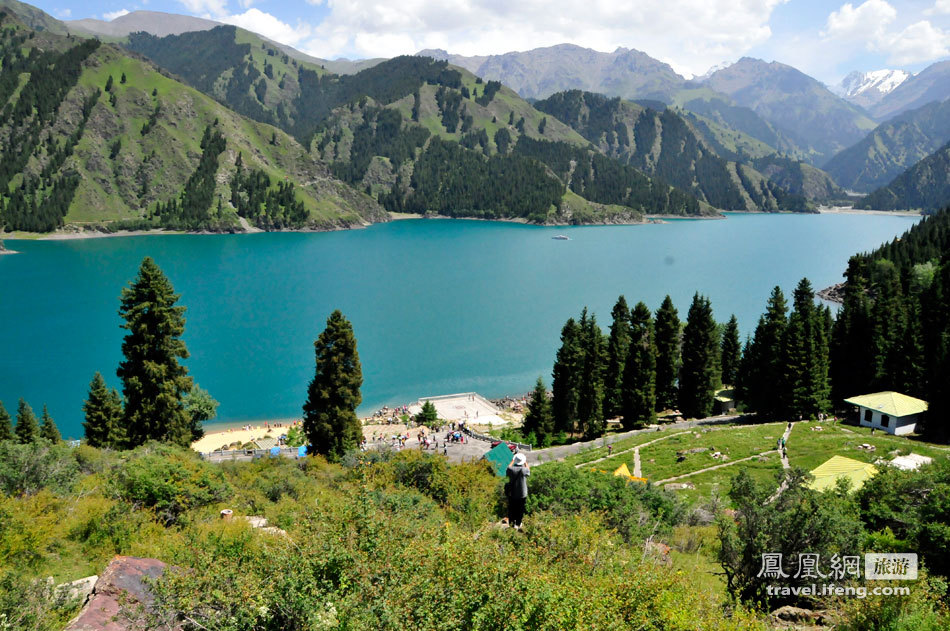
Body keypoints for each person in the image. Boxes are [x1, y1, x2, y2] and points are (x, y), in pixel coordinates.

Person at [505, 453, 530, 529]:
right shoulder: (524, 470)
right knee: (520, 509)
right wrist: (525, 462)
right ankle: (518, 524)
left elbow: (508, 467)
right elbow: (528, 470)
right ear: (522, 461)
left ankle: (512, 524)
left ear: (515, 461)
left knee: (512, 509)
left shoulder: (511, 469)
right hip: (522, 493)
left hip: (512, 493)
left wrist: (513, 460)